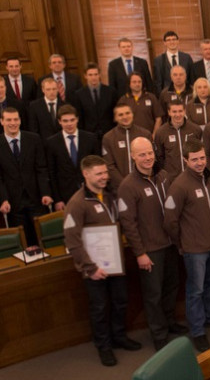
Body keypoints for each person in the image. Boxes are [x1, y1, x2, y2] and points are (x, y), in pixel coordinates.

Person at [63, 155, 141, 366]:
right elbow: (72, 239)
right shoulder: (77, 203)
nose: (104, 177)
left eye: (105, 172)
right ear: (85, 174)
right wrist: (90, 267)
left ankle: (119, 337)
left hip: (115, 263)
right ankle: (104, 346)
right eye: (99, 174)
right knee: (99, 308)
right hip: (93, 269)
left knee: (120, 301)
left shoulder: (110, 196)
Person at [164, 139, 210, 352]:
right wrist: (182, 242)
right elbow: (170, 220)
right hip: (194, 249)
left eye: (202, 158)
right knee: (195, 290)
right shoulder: (179, 185)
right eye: (194, 159)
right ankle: (197, 330)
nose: (199, 163)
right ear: (185, 160)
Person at [117, 137, 185, 351]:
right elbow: (128, 223)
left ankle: (170, 322)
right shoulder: (127, 186)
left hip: (171, 245)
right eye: (142, 154)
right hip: (150, 250)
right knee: (153, 294)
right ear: (133, 156)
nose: (147, 158)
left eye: (149, 153)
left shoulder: (164, 176)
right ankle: (158, 334)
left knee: (171, 287)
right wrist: (140, 253)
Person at [0, 107, 52, 248]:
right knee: (24, 244)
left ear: (20, 120)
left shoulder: (33, 139)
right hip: (13, 203)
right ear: (1, 122)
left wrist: (46, 193)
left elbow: (41, 169)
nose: (13, 123)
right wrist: (3, 199)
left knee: (43, 240)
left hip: (36, 199)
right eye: (9, 120)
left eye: (16, 119)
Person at [45, 105, 100, 211]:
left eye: (72, 120)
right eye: (65, 121)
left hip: (90, 191)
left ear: (77, 119)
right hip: (65, 196)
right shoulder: (51, 143)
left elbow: (97, 166)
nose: (69, 124)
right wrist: (57, 200)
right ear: (59, 121)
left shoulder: (90, 139)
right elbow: (52, 173)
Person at [102, 103, 151, 192]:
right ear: (115, 118)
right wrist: (125, 183)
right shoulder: (108, 138)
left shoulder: (145, 134)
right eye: (120, 115)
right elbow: (109, 165)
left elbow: (151, 159)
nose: (125, 117)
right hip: (119, 188)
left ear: (132, 114)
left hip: (143, 185)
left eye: (127, 113)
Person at [154, 100, 203, 182]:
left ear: (185, 111)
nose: (177, 114)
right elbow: (159, 157)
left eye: (180, 111)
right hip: (172, 180)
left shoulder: (195, 129)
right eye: (174, 111)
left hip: (194, 177)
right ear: (169, 112)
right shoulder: (161, 132)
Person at [75, 63, 116, 139]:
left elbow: (114, 113)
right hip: (89, 134)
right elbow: (80, 117)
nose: (93, 77)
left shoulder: (110, 91)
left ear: (99, 75)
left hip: (109, 133)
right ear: (85, 76)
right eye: (90, 75)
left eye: (95, 74)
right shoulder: (79, 95)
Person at [117, 72, 162, 136]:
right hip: (130, 137)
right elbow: (119, 120)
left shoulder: (151, 97)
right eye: (134, 82)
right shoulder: (123, 100)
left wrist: (154, 134)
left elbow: (158, 118)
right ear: (129, 84)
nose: (137, 84)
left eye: (139, 82)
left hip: (149, 136)